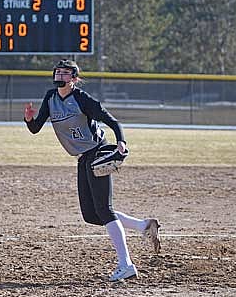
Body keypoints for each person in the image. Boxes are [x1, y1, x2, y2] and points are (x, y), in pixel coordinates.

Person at [24, 59, 161, 282]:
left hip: (97, 153)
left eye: (65, 73)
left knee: (104, 210)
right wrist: (29, 119)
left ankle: (126, 264)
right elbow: (36, 128)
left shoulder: (81, 99)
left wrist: (121, 141)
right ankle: (143, 225)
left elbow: (111, 120)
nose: (60, 75)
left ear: (74, 79)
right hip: (82, 158)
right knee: (91, 214)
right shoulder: (50, 97)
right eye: (58, 72)